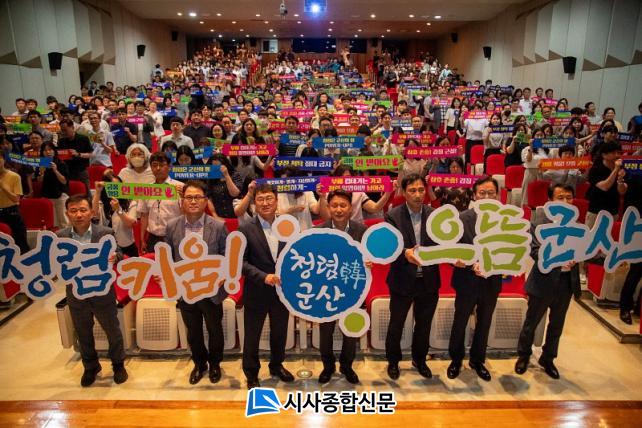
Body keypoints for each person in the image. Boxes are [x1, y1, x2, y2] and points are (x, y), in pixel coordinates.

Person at [56, 194, 128, 387]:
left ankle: (118, 364)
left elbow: (120, 253)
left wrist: (115, 257)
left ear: (92, 212)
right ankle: (90, 366)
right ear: (67, 214)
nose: (78, 215)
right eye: (73, 211)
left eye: (83, 210)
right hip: (76, 292)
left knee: (112, 329)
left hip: (102, 291)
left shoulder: (105, 232)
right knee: (83, 332)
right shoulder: (60, 236)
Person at [165, 180, 229, 385]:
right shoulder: (172, 226)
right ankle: (200, 364)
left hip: (212, 289)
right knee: (193, 331)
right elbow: (167, 257)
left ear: (205, 201)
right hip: (185, 289)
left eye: (198, 197)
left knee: (214, 329)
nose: (193, 201)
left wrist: (224, 275)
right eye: (189, 197)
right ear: (182, 201)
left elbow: (227, 256)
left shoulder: (218, 226)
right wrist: (165, 274)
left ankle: (215, 364)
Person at [515, 183, 581, 379]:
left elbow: (588, 249)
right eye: (560, 198)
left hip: (566, 282)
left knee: (556, 325)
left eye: (569, 197)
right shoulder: (538, 224)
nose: (565, 202)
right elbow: (535, 251)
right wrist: (558, 260)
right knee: (532, 322)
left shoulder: (577, 226)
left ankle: (548, 358)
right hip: (543, 281)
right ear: (550, 201)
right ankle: (523, 356)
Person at [384, 173, 441, 380]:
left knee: (424, 325)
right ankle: (393, 361)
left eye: (421, 190)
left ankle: (420, 360)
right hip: (402, 279)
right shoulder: (393, 216)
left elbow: (443, 245)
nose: (417, 195)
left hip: (428, 280)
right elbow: (389, 246)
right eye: (412, 191)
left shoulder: (434, 215)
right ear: (404, 192)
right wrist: (404, 253)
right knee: (396, 324)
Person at [238, 183, 294, 389]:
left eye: (269, 198)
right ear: (254, 203)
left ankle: (277, 365)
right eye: (260, 199)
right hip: (257, 290)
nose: (265, 203)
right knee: (252, 335)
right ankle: (251, 373)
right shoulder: (245, 229)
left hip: (282, 292)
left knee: (279, 332)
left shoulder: (289, 225)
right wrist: (263, 277)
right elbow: (240, 262)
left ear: (277, 201)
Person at [447, 176, 502, 382]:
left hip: (491, 280)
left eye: (491, 193)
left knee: (484, 322)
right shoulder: (462, 219)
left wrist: (494, 265)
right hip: (466, 280)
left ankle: (478, 361)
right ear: (474, 195)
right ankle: (456, 359)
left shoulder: (505, 220)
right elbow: (451, 249)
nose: (486, 197)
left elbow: (509, 251)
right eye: (482, 193)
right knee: (460, 320)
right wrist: (459, 261)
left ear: (497, 195)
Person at [316, 189, 367, 384]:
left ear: (350, 208)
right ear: (328, 208)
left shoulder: (361, 230)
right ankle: (328, 367)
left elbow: (368, 257)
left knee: (350, 331)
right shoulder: (319, 231)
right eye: (334, 205)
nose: (338, 209)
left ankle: (347, 366)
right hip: (326, 291)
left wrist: (368, 262)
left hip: (352, 290)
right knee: (326, 331)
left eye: (343, 205)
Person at [138, 152, 184, 253]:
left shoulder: (180, 187)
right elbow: (144, 215)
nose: (158, 168)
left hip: (174, 238)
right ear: (151, 167)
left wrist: (184, 198)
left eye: (162, 165)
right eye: (154, 165)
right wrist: (142, 238)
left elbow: (186, 215)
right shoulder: (146, 189)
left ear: (169, 167)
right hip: (152, 238)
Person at [93, 173, 139, 258]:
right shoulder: (101, 203)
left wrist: (119, 210)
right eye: (112, 186)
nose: (116, 190)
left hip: (127, 248)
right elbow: (93, 214)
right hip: (106, 247)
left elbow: (130, 223)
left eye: (118, 186)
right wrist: (98, 192)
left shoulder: (130, 202)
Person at [585, 141, 627, 228]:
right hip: (596, 211)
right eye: (613, 153)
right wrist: (616, 170)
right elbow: (605, 187)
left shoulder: (622, 169)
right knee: (591, 235)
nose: (617, 155)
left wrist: (620, 180)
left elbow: (622, 191)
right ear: (604, 155)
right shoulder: (595, 169)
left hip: (613, 211)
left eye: (619, 153)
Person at [0, 153, 29, 252]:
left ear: (4, 160)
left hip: (11, 212)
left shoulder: (14, 176)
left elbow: (16, 199)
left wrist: (4, 188)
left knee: (20, 244)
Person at [37, 142, 69, 228]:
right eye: (45, 150)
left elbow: (64, 181)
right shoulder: (41, 164)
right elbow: (39, 181)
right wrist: (42, 173)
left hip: (60, 196)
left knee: (63, 222)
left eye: (50, 149)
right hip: (46, 196)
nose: (48, 152)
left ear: (54, 151)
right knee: (48, 222)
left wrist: (55, 170)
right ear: (42, 152)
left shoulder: (61, 163)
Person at [58, 119, 93, 194]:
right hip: (66, 171)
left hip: (81, 171)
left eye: (65, 130)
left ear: (72, 127)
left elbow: (91, 154)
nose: (64, 133)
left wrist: (78, 154)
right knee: (69, 193)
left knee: (86, 193)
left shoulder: (83, 139)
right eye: (62, 130)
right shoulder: (61, 141)